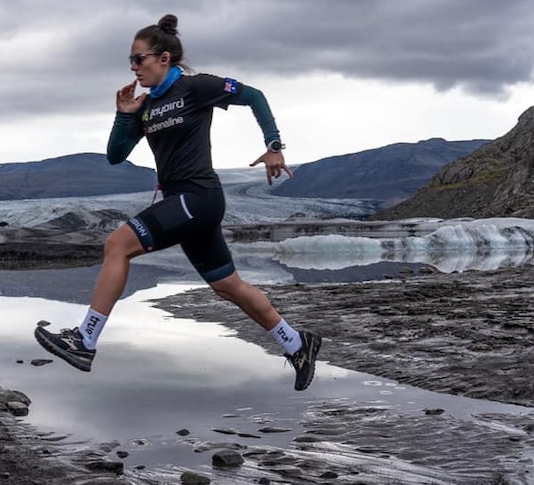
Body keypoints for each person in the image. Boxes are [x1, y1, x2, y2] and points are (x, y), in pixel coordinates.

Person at [35, 14, 322, 391]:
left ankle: (84, 340)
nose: (134, 68)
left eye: (140, 59)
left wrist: (273, 146)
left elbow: (254, 96)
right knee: (228, 286)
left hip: (198, 196)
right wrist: (124, 116)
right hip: (184, 202)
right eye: (130, 62)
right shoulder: (147, 107)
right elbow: (115, 155)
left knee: (117, 244)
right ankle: (297, 343)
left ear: (164, 57)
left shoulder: (196, 87)